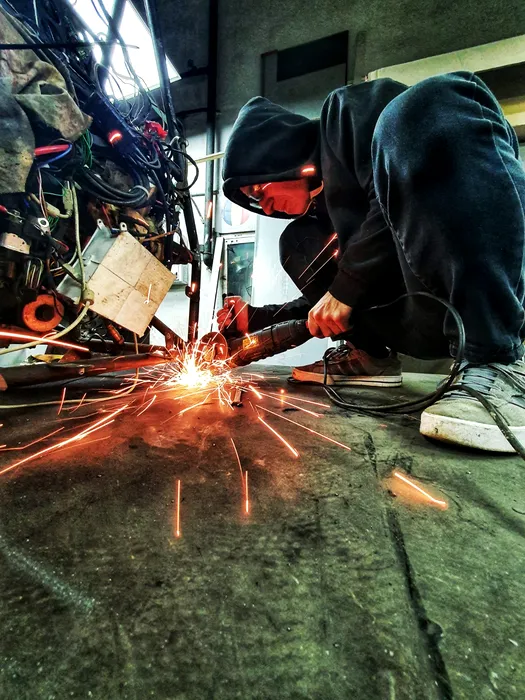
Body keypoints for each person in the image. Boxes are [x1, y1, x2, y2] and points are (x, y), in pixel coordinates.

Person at [218, 72, 525, 453]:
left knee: (426, 104)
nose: (263, 207)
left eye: (257, 190)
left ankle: (496, 357)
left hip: (466, 291)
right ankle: (370, 357)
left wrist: (347, 286)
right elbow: (332, 302)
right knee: (297, 241)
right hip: (413, 317)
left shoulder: (345, 115)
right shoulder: (321, 219)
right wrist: (257, 318)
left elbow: (388, 206)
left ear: (273, 155)